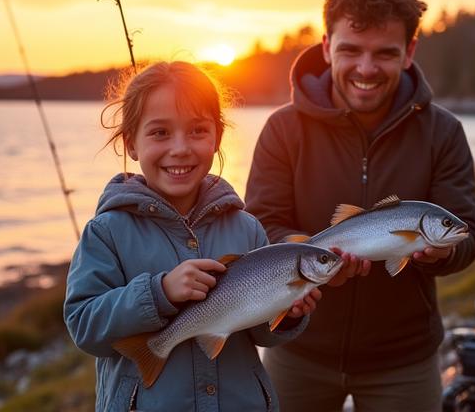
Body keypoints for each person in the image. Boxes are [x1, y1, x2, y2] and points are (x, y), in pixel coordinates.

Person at [245, 0, 475, 411]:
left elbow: (468, 233)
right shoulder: (283, 129)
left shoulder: (444, 132)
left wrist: (443, 250)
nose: (366, 68)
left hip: (405, 362)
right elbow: (262, 224)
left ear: (410, 51)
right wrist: (307, 256)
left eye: (385, 53)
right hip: (297, 349)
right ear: (326, 45)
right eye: (351, 49)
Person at [63, 61, 323, 412]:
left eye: (198, 131)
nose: (181, 148)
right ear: (131, 143)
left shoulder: (247, 228)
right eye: (160, 133)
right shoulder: (107, 231)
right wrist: (159, 293)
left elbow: (262, 333)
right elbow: (85, 325)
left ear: (216, 138)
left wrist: (288, 313)